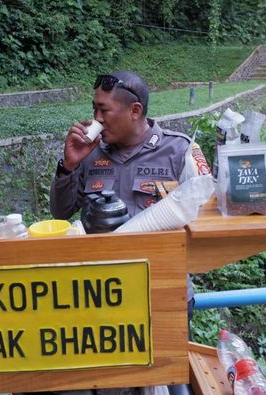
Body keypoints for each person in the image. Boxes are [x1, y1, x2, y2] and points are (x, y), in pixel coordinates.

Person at [50, 70, 204, 325]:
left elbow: (204, 225)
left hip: (162, 294)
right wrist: (68, 166)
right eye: (94, 109)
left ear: (134, 110)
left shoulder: (180, 151)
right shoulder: (90, 152)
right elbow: (60, 212)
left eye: (104, 110)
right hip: (99, 296)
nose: (96, 119)